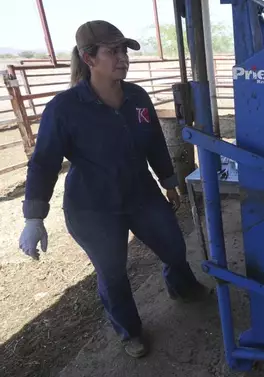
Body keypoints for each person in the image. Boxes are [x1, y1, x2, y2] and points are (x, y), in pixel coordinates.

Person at [17, 20, 209, 358]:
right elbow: (44, 163)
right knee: (113, 273)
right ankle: (129, 331)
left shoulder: (136, 97)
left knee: (174, 247)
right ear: (89, 59)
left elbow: (154, 145)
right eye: (113, 51)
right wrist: (34, 217)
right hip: (93, 208)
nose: (123, 58)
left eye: (124, 50)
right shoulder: (64, 109)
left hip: (141, 194)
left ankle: (182, 287)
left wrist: (168, 182)